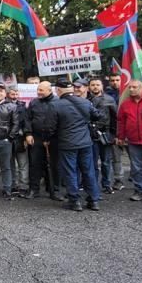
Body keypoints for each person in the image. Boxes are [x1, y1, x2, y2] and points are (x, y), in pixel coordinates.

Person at [53, 77, 102, 212]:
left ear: (58, 90)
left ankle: (74, 201)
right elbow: (97, 116)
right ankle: (94, 200)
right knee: (88, 171)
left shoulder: (56, 105)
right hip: (85, 142)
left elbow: (50, 126)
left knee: (70, 172)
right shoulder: (85, 102)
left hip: (67, 144)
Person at [26, 81, 60, 200]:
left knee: (54, 166)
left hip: (53, 140)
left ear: (49, 90)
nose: (38, 92)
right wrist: (28, 133)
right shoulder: (34, 102)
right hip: (37, 138)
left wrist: (51, 137)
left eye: (41, 90)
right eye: (38, 90)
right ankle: (34, 190)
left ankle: (54, 191)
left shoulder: (58, 102)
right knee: (35, 165)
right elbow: (28, 119)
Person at [88, 77, 117, 195]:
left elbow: (115, 118)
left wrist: (115, 134)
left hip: (106, 133)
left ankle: (106, 184)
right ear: (89, 86)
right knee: (92, 162)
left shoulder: (109, 99)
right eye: (93, 84)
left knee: (106, 161)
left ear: (102, 86)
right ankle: (93, 184)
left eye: (97, 84)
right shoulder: (85, 99)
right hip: (91, 134)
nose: (95, 87)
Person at [7, 86, 30, 197]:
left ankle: (23, 186)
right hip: (8, 139)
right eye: (12, 94)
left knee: (23, 164)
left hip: (20, 138)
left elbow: (26, 122)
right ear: (8, 94)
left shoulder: (23, 106)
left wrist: (27, 135)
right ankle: (12, 185)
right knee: (10, 164)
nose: (15, 96)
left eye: (16, 94)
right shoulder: (3, 105)